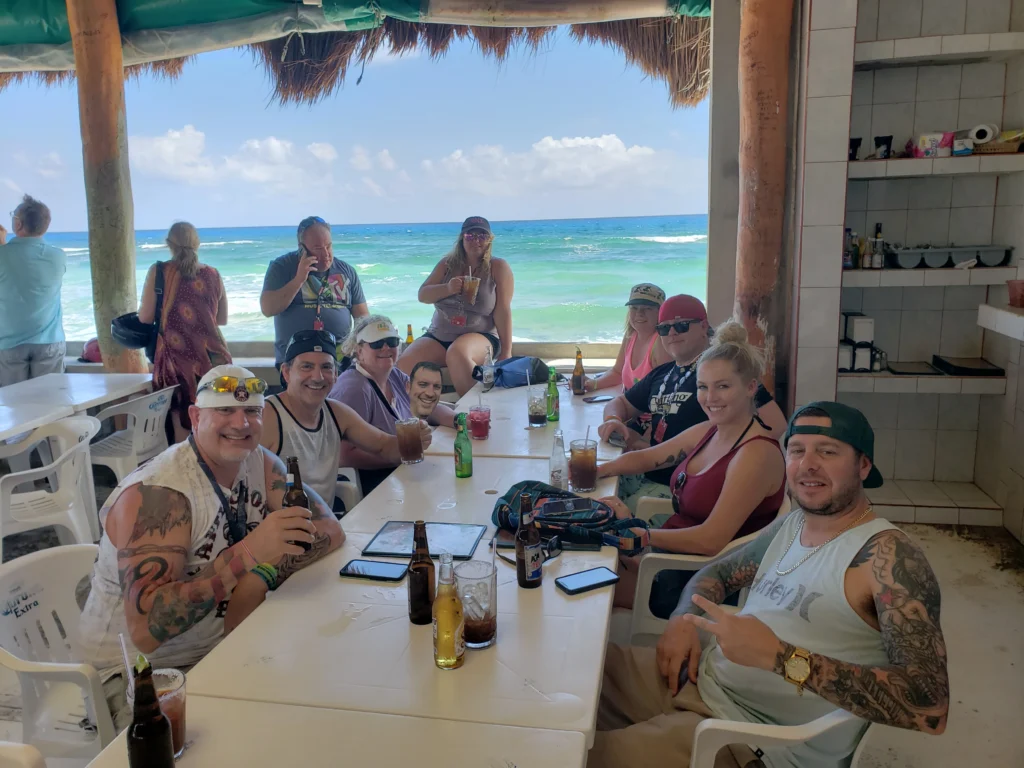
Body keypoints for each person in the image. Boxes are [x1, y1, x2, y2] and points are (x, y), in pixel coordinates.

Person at [588, 401, 949, 768]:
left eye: (827, 451)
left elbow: (929, 706)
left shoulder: (888, 558)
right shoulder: (793, 525)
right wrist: (683, 618)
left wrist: (782, 658)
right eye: (796, 450)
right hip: (701, 678)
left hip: (749, 741)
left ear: (863, 465)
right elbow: (718, 573)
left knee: (576, 756)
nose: (808, 464)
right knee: (572, 676)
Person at [78, 365, 347, 729]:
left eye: (252, 411)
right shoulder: (160, 495)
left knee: (327, 692)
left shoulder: (261, 463)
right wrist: (248, 554)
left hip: (222, 646)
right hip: (137, 675)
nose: (241, 423)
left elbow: (330, 529)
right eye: (224, 410)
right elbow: (145, 632)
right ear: (194, 416)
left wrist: (260, 575)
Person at [597, 321, 786, 612]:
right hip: (663, 558)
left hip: (693, 581)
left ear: (751, 388)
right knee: (577, 554)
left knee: (583, 589)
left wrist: (640, 534)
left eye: (722, 387)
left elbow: (710, 540)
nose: (710, 398)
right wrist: (599, 471)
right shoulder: (711, 430)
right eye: (702, 387)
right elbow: (649, 457)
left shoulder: (756, 454)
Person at [598, 295, 786, 512]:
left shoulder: (721, 373)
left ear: (704, 327)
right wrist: (613, 420)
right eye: (664, 328)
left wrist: (714, 459)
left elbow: (775, 425)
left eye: (681, 325)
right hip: (649, 471)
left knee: (603, 513)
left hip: (683, 491)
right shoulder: (663, 373)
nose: (672, 333)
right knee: (588, 494)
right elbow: (620, 402)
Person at [260, 329, 431, 512]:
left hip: (323, 525)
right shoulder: (267, 416)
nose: (317, 377)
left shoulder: (336, 413)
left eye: (326, 367)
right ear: (286, 373)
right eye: (306, 367)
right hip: (281, 528)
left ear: (335, 374)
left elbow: (384, 446)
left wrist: (415, 439)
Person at [331, 316, 456, 494]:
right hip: (378, 483)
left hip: (405, 471)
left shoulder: (393, 375)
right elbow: (344, 454)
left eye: (391, 341)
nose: (386, 348)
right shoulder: (354, 389)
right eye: (376, 343)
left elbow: (426, 403)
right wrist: (403, 454)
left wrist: (459, 420)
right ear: (359, 351)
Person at [397, 216, 513, 395]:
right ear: (461, 239)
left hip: (480, 337)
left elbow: (503, 311)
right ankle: (413, 416)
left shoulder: (498, 267)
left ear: (490, 239)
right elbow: (423, 295)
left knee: (457, 353)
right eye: (470, 235)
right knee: (404, 364)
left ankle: (474, 413)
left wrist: (506, 352)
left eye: (482, 236)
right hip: (439, 335)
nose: (476, 240)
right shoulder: (447, 265)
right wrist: (448, 288)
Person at [139, 222, 231, 443]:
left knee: (182, 425)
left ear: (169, 244)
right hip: (213, 359)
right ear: (197, 244)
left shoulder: (159, 271)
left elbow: (145, 317)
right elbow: (222, 319)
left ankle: (189, 474)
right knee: (218, 423)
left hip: (175, 360)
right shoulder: (213, 274)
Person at [260, 216, 369, 369]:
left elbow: (363, 319)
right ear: (301, 247)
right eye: (318, 249)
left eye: (329, 246)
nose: (326, 254)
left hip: (338, 360)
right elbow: (268, 309)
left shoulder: (347, 271)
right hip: (295, 360)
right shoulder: (282, 267)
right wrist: (299, 279)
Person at [0, 195, 67, 386]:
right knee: (50, 406)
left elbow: (13, 267)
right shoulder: (58, 257)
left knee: (14, 406)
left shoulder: (2, 255)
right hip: (50, 341)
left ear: (18, 224)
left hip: (8, 344)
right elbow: (26, 270)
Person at [578, 283, 670, 394]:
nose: (639, 313)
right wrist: (593, 383)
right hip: (630, 405)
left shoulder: (660, 343)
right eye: (634, 308)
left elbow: (664, 391)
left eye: (648, 308)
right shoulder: (630, 336)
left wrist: (623, 406)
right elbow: (617, 372)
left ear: (660, 312)